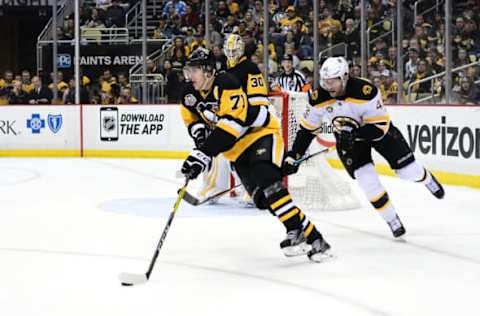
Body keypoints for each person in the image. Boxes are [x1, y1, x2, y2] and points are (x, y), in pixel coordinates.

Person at [179, 48, 332, 262]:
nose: (189, 75)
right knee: (263, 199)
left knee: (268, 180)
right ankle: (315, 239)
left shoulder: (227, 84)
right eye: (189, 70)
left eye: (194, 70)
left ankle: (294, 230)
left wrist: (202, 154)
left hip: (260, 134)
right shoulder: (188, 93)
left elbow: (230, 127)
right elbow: (192, 120)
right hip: (236, 151)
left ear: (208, 71)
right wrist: (199, 139)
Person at [283, 57, 445, 238]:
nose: (328, 86)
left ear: (344, 77)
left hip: (376, 133)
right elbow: (306, 130)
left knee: (408, 171)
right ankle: (392, 220)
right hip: (349, 142)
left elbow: (380, 126)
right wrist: (294, 155)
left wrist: (355, 135)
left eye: (332, 81)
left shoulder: (365, 91)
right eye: (325, 81)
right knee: (367, 181)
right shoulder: (318, 98)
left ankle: (426, 178)